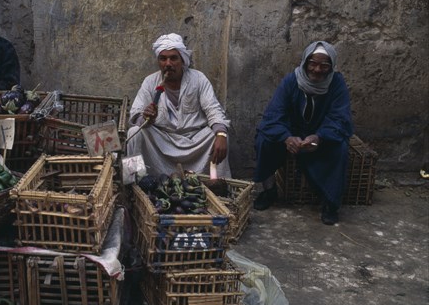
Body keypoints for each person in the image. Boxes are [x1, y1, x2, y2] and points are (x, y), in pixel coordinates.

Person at [253, 40, 353, 225]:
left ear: (331, 67)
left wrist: (319, 137)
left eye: (324, 65)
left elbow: (340, 118)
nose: (317, 69)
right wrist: (286, 137)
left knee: (340, 148)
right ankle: (269, 191)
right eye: (312, 63)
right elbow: (273, 115)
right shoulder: (292, 81)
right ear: (305, 62)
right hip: (291, 134)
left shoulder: (336, 84)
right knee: (264, 140)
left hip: (320, 136)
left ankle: (330, 203)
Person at [126, 33, 231, 179]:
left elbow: (213, 109)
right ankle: (133, 182)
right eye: (163, 59)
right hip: (163, 142)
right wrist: (146, 118)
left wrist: (221, 134)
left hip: (194, 142)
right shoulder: (150, 82)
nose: (168, 63)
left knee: (219, 135)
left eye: (173, 58)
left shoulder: (198, 79)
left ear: (182, 60)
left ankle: (218, 186)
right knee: (134, 133)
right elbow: (135, 115)